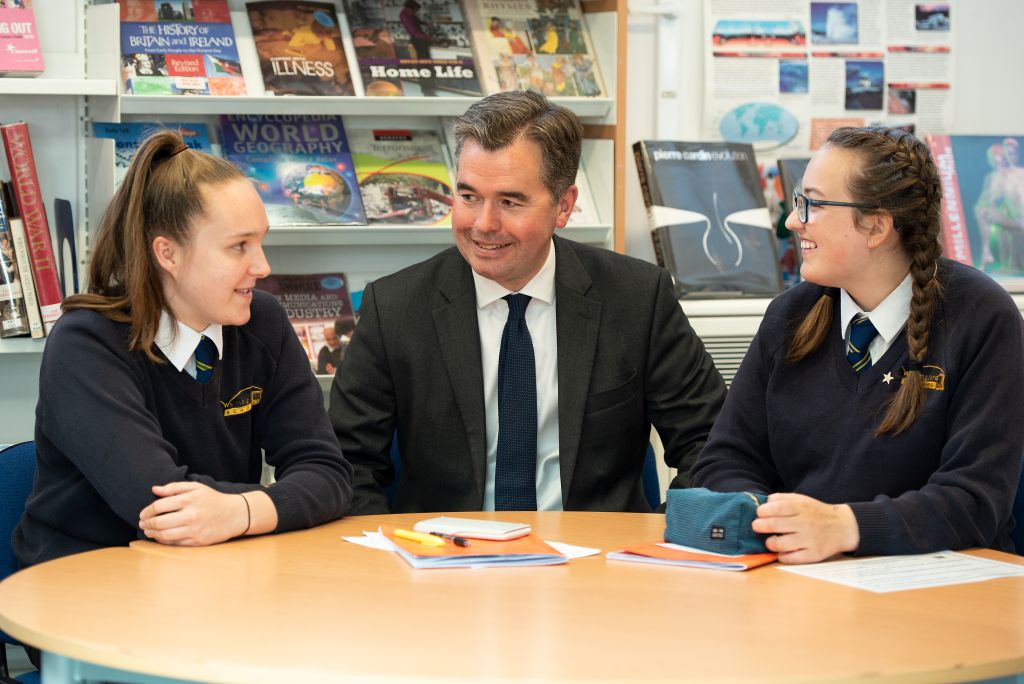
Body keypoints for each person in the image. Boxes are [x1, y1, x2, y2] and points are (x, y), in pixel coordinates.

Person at [330, 91, 725, 515]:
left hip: (597, 563)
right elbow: (346, 465)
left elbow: (713, 443)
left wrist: (671, 537)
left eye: (510, 202)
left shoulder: (637, 298)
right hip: (445, 560)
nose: (483, 224)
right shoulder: (395, 307)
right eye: (468, 197)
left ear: (564, 206)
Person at [13, 130, 353, 570]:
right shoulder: (85, 344)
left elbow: (330, 474)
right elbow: (160, 508)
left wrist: (239, 512)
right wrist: (280, 504)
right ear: (167, 254)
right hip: (87, 581)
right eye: (238, 247)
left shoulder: (262, 322)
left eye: (261, 241)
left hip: (218, 568)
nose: (263, 266)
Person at [689, 126, 1024, 563]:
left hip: (940, 588)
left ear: (876, 227)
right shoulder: (789, 315)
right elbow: (726, 459)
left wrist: (846, 527)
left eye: (812, 204)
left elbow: (975, 500)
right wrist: (770, 519)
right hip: (803, 576)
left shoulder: (983, 319)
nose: (793, 221)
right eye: (797, 201)